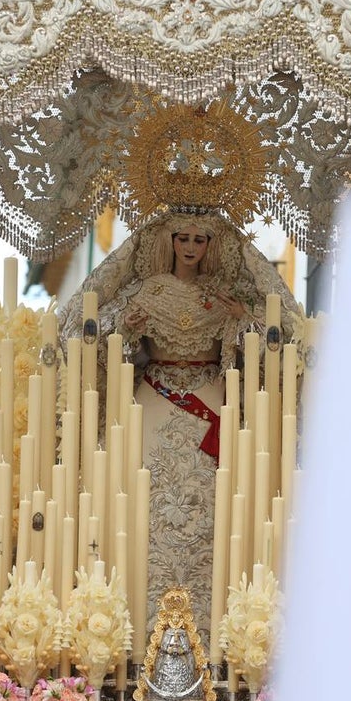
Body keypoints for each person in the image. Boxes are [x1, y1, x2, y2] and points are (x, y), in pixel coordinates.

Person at [58, 208, 302, 644]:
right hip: (155, 400)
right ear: (168, 242)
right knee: (142, 501)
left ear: (211, 245)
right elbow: (92, 332)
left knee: (215, 504)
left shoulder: (222, 294)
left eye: (199, 240)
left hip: (210, 400)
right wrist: (126, 329)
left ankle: (216, 626)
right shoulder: (147, 290)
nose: (190, 247)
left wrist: (242, 317)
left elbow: (274, 337)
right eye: (183, 238)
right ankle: (137, 621)